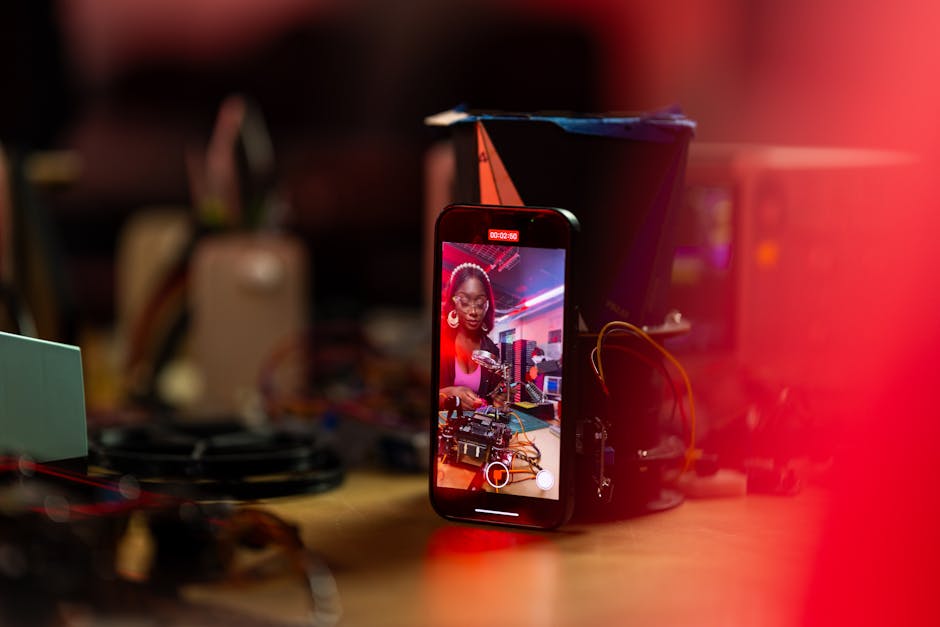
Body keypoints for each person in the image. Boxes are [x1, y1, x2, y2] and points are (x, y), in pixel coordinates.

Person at [438, 262, 504, 410]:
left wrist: (499, 398)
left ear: (487, 306)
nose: (473, 311)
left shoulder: (491, 350)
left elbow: (492, 399)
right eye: (465, 302)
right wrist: (448, 394)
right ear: (453, 303)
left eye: (480, 304)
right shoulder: (438, 342)